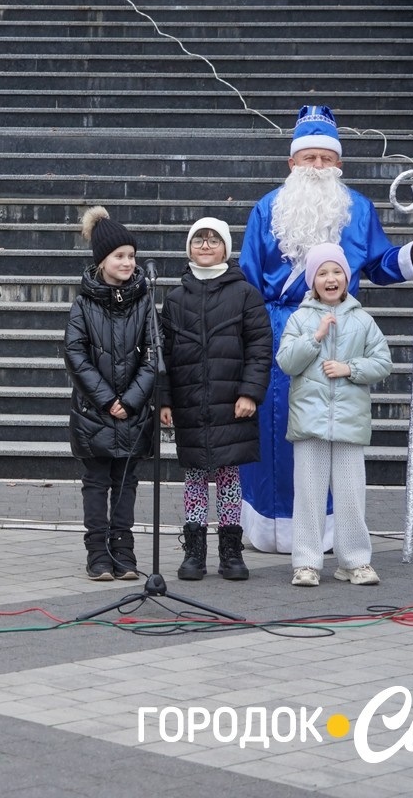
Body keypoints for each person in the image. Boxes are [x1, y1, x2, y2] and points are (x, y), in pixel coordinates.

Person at [238, 105, 413, 554]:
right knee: (272, 432)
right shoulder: (267, 208)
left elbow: (380, 264)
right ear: (292, 163)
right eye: (308, 158)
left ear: (339, 165)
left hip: (340, 333)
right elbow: (248, 278)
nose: (317, 167)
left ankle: (328, 534)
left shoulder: (358, 209)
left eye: (326, 159)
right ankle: (265, 523)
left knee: (329, 430)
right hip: (278, 330)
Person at [159, 218, 272, 581]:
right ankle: (194, 552)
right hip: (190, 400)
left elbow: (259, 348)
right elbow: (163, 353)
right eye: (198, 240)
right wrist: (164, 401)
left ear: (226, 247)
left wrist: (249, 393)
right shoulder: (175, 298)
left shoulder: (245, 294)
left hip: (230, 402)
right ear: (189, 248)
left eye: (213, 240)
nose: (205, 246)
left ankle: (230, 551)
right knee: (194, 478)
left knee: (228, 477)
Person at [276, 243, 392, 587]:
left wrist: (349, 368)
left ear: (347, 276)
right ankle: (307, 563)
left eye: (337, 271)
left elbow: (383, 362)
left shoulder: (362, 320)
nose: (331, 278)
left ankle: (355, 562)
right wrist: (315, 338)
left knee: (351, 495)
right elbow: (286, 362)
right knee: (309, 495)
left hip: (349, 422)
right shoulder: (299, 318)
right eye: (322, 273)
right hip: (309, 422)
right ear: (312, 281)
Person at [64, 208, 155, 581]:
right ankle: (97, 552)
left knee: (126, 483)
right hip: (94, 413)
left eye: (131, 256)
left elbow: (153, 356)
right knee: (97, 482)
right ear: (102, 260)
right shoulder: (84, 304)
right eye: (119, 256)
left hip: (132, 413)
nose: (128, 262)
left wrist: (131, 400)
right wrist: (107, 400)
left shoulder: (145, 301)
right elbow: (75, 354)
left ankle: (124, 550)